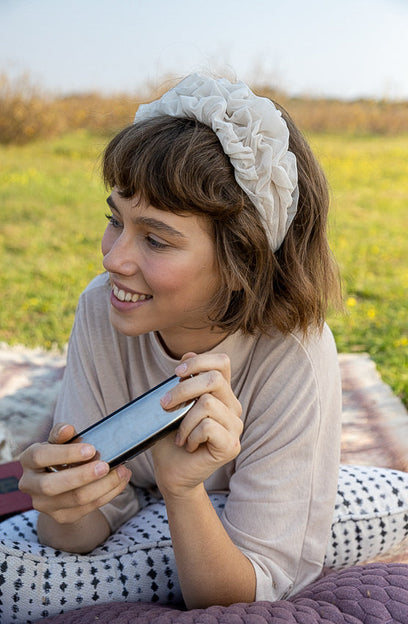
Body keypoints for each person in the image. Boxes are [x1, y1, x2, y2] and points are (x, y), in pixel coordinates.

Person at [18, 73, 342, 609]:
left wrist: (184, 490)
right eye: (113, 221)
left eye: (155, 239)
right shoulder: (101, 307)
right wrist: (58, 505)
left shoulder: (296, 356)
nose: (113, 259)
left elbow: (244, 596)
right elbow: (77, 534)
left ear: (243, 259)